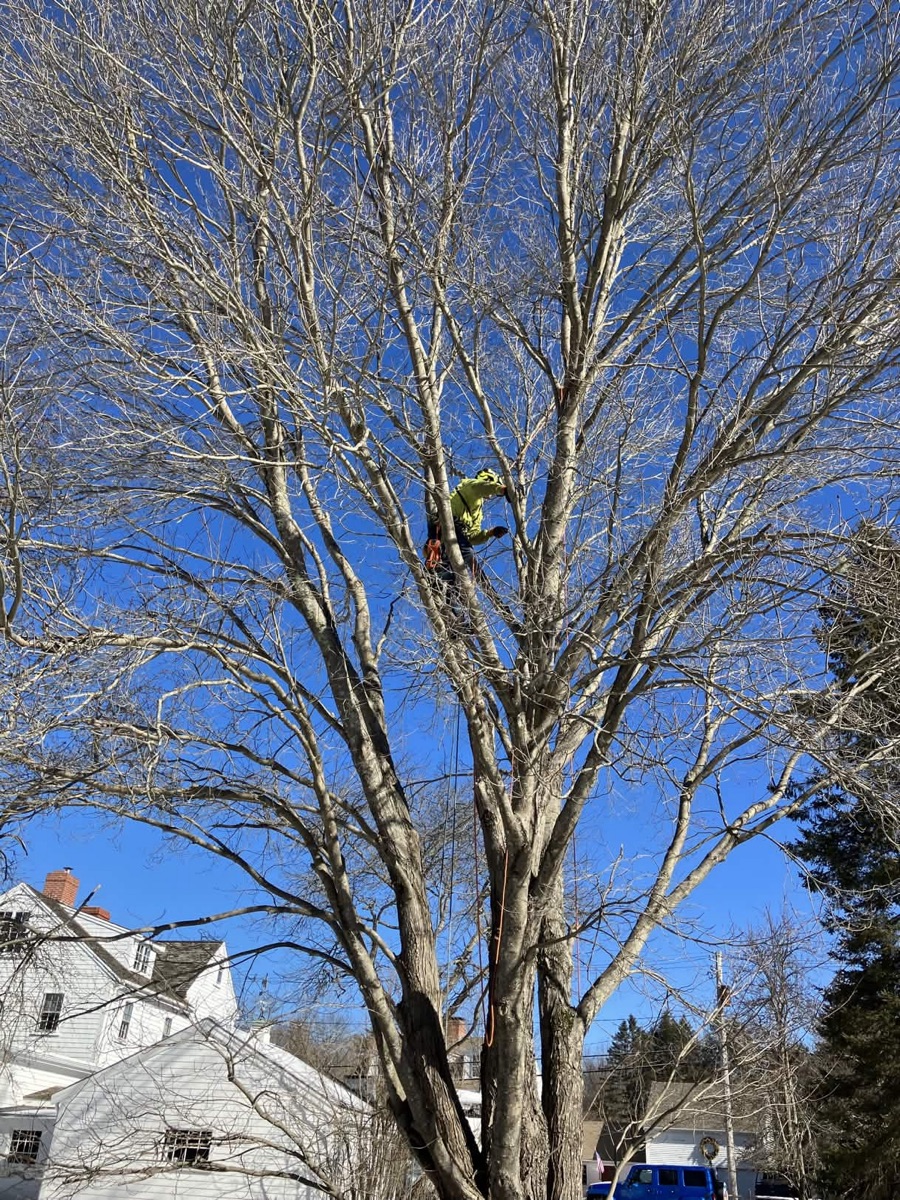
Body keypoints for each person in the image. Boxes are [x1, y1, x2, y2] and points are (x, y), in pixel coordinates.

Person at [424, 468, 511, 596]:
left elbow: (471, 536)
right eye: (493, 488)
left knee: (451, 577)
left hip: (457, 536)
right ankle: (477, 579)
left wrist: (490, 533)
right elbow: (481, 487)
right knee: (467, 552)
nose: (491, 496)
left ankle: (448, 599)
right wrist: (501, 489)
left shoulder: (478, 511)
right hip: (446, 524)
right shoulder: (469, 485)